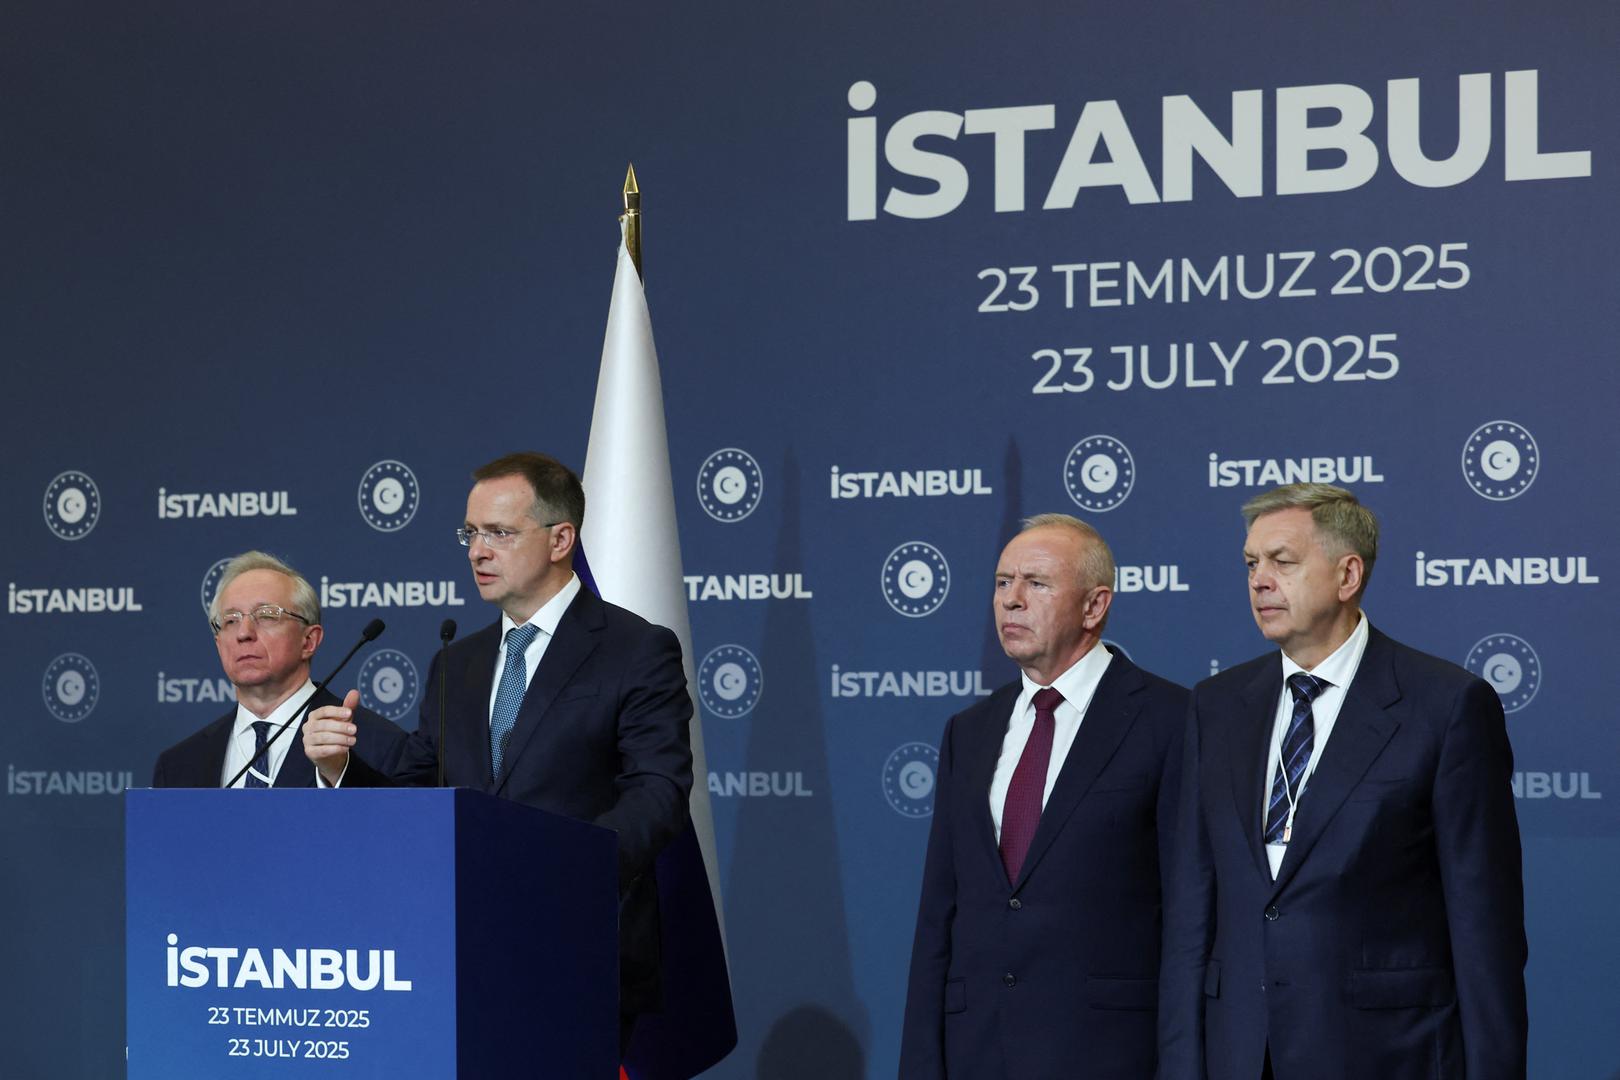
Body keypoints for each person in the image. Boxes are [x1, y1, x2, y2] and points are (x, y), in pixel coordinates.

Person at [301, 451, 693, 1052]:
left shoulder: (635, 649)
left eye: (499, 533)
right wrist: (339, 770)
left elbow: (657, 791)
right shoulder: (456, 661)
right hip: (456, 952)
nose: (477, 552)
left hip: (577, 947)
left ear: (560, 539)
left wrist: (567, 870)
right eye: (470, 533)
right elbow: (419, 793)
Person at [1158, 484, 1527, 1080]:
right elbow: (1190, 913)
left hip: (1386, 1053)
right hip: (1240, 1052)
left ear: (1347, 575)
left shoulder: (1446, 705)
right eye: (1251, 564)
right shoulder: (1215, 706)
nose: (1259, 581)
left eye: (1282, 561)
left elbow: (1485, 928)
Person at [900, 514, 1188, 1079]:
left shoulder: (1171, 720)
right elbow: (939, 913)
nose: (1011, 599)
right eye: (1003, 582)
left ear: (1094, 606)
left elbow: (1190, 912)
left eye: (1036, 583)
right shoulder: (969, 732)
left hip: (1109, 1054)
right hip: (977, 1053)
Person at [152, 551, 406, 788]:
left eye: (266, 615)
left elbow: (400, 819)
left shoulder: (380, 742)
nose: (243, 633)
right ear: (219, 644)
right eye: (231, 620)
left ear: (309, 641)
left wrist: (340, 771)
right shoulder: (177, 767)